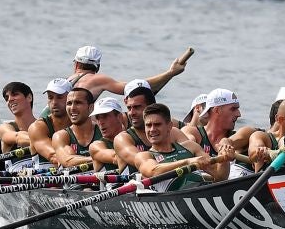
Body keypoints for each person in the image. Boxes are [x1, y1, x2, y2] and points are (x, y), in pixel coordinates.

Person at [134, 103, 234, 191]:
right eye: (148, 125)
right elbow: (154, 171)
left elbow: (220, 176)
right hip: (177, 196)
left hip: (202, 188)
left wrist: (225, 159)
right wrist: (187, 161)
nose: (152, 129)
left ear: (169, 126)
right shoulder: (143, 156)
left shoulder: (190, 147)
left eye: (157, 124)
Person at [65, 45, 193, 100]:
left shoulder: (68, 80)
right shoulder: (97, 79)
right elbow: (136, 88)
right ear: (97, 67)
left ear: (76, 63)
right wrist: (170, 73)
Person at [113, 85, 189, 173]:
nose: (131, 113)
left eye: (137, 107)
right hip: (139, 184)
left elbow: (189, 152)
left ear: (151, 107)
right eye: (129, 108)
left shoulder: (174, 132)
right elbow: (148, 166)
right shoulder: (122, 139)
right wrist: (188, 161)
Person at [182, 88, 255, 175]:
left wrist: (227, 142)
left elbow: (250, 132)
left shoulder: (241, 136)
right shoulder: (192, 133)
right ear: (217, 110)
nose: (239, 114)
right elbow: (186, 144)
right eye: (233, 109)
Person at [247, 99, 285, 171]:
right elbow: (253, 155)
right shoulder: (261, 136)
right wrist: (263, 151)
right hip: (266, 179)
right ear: (280, 119)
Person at [52, 87, 101, 168]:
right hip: (73, 179)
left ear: (91, 108)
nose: (72, 108)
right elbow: (67, 161)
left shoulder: (102, 130)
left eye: (78, 103)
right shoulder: (60, 136)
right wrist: (99, 158)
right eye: (69, 103)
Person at [27, 78, 72, 166]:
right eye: (50, 97)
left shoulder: (83, 123)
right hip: (43, 178)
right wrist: (92, 159)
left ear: (71, 98)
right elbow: (55, 157)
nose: (54, 102)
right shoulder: (38, 127)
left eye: (59, 97)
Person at [88, 97, 128, 172]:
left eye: (104, 116)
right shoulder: (96, 146)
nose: (100, 122)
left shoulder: (133, 137)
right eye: (97, 118)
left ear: (119, 117)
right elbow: (116, 157)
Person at [0, 81, 36, 153]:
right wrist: (43, 142)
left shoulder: (43, 125)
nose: (9, 99)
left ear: (29, 97)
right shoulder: (5, 128)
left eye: (14, 94)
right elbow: (18, 137)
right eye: (6, 98)